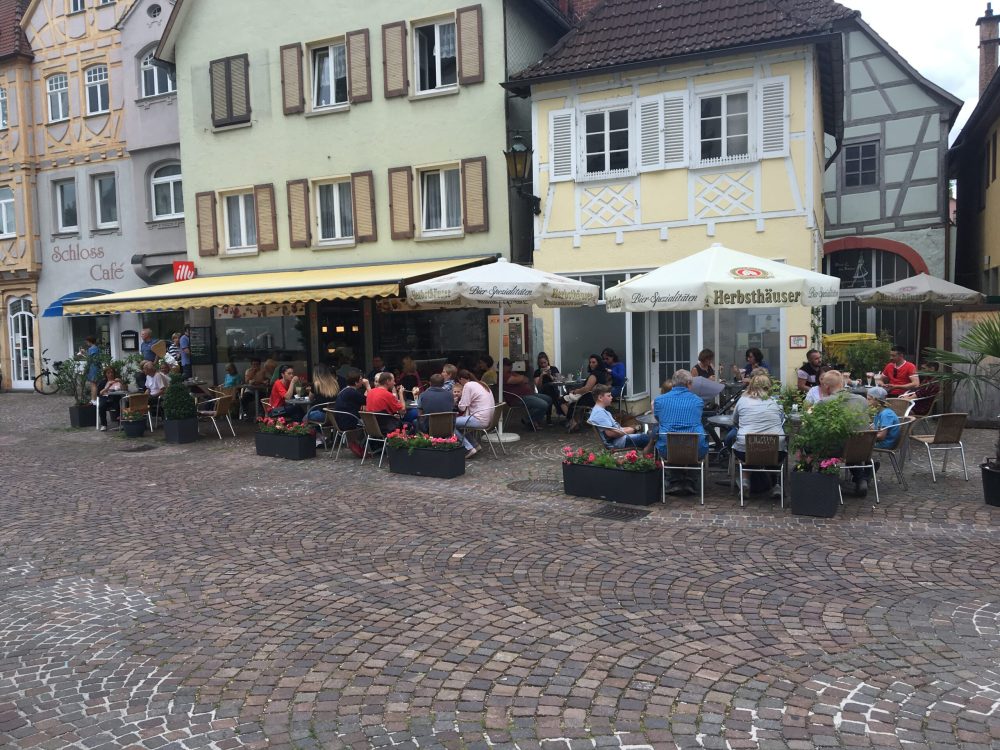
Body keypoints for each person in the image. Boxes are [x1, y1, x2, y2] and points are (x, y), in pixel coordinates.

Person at [653, 369, 708, 495]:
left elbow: (658, 418)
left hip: (669, 449)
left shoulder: (659, 400)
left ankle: (675, 480)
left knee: (669, 440)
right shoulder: (698, 401)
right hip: (694, 450)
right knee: (696, 441)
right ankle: (690, 480)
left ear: (673, 383)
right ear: (689, 383)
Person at [731, 372, 785, 497]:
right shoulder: (775, 401)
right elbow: (781, 420)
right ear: (769, 386)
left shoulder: (743, 400)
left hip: (748, 447)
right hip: (775, 448)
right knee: (775, 451)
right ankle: (776, 484)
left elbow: (735, 420)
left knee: (746, 448)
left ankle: (745, 481)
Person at [850, 386, 899, 497]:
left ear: (877, 400)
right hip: (881, 441)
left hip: (885, 443)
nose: (866, 401)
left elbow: (881, 436)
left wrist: (864, 436)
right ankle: (866, 474)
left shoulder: (886, 414)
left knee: (852, 450)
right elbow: (875, 429)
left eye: (869, 399)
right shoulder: (879, 413)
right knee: (853, 447)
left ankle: (862, 478)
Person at [588, 384, 649, 451]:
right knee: (650, 438)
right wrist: (632, 430)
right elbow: (611, 433)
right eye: (609, 396)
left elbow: (615, 429)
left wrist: (630, 428)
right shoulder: (599, 413)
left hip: (620, 439)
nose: (611, 397)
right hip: (617, 442)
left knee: (649, 436)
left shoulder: (599, 410)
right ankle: (655, 458)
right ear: (600, 398)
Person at [560, 354, 609, 431]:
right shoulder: (602, 374)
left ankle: (572, 421)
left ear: (598, 363)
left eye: (593, 362)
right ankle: (578, 422)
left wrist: (576, 391)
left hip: (589, 399)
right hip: (597, 398)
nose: (591, 364)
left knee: (562, 400)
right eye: (590, 362)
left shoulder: (594, 375)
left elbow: (587, 389)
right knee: (571, 400)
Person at [502, 357, 552, 430]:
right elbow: (518, 379)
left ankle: (532, 420)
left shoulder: (512, 373)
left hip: (528, 395)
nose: (511, 366)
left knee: (549, 399)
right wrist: (521, 378)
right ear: (502, 366)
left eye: (511, 364)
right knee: (543, 404)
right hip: (518, 398)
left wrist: (521, 379)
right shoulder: (503, 375)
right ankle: (528, 420)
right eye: (508, 365)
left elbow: (526, 379)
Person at [456, 369, 495, 458]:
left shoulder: (468, 385)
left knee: (449, 424)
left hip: (479, 419)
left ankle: (468, 448)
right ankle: (475, 445)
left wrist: (458, 400)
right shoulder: (482, 384)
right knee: (459, 425)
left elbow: (462, 407)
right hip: (489, 419)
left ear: (461, 379)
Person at [333, 370, 369, 456]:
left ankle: (360, 445)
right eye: (361, 379)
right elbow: (368, 401)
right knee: (371, 424)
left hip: (340, 422)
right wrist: (367, 385)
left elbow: (362, 399)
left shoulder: (345, 390)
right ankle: (366, 446)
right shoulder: (352, 392)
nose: (362, 380)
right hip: (349, 422)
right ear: (356, 383)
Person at [533, 352, 561, 423]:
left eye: (544, 363)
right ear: (539, 363)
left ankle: (549, 416)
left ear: (547, 361)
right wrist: (541, 375)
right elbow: (538, 386)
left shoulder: (554, 369)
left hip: (553, 390)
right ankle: (558, 410)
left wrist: (550, 375)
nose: (543, 365)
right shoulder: (537, 372)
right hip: (543, 391)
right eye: (541, 363)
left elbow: (558, 381)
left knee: (551, 390)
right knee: (548, 389)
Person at [96, 366, 125, 431]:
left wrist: (121, 382)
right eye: (108, 373)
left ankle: (120, 424)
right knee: (101, 406)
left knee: (120, 403)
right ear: (105, 374)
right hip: (105, 397)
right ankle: (104, 425)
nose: (110, 374)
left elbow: (124, 390)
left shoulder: (117, 381)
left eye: (112, 372)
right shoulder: (103, 382)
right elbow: (99, 393)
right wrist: (108, 387)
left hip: (115, 398)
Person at [80, 335, 101, 402]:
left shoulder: (91, 348)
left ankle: (93, 400)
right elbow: (92, 357)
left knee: (93, 384)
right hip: (97, 367)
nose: (86, 343)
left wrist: (82, 354)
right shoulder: (96, 348)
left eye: (87, 342)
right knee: (95, 384)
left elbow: (89, 359)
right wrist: (85, 353)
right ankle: (94, 399)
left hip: (93, 368)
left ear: (89, 341)